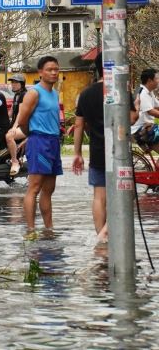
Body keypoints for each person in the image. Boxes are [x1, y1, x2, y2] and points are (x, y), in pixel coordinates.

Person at [16, 56, 63, 236]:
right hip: (39, 142)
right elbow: (22, 120)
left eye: (56, 69)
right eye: (50, 69)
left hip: (53, 142)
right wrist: (33, 135)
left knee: (49, 190)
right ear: (40, 72)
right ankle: (30, 229)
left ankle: (49, 228)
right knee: (34, 188)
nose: (53, 72)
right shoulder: (34, 92)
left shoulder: (55, 93)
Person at [72, 52, 107, 242]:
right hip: (117, 153)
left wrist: (77, 153)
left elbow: (78, 125)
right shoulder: (119, 90)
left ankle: (101, 235)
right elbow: (131, 118)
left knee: (99, 197)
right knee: (126, 194)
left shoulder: (85, 94)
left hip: (96, 151)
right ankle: (104, 235)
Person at [130, 69, 159, 153]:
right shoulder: (142, 93)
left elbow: (157, 106)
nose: (158, 81)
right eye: (157, 79)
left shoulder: (149, 92)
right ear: (150, 80)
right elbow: (151, 111)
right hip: (140, 130)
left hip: (147, 127)